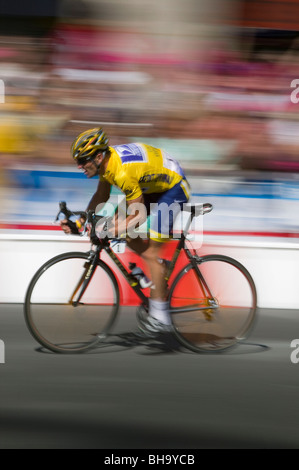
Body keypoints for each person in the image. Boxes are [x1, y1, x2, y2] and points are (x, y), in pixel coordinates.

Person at [61, 127, 191, 336]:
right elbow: (101, 196)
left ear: (99, 156)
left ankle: (161, 317)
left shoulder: (121, 172)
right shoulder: (107, 164)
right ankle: (158, 270)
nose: (80, 165)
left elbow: (137, 217)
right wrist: (81, 222)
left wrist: (111, 228)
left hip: (173, 188)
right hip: (153, 186)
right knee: (123, 230)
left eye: (83, 160)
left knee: (145, 248)